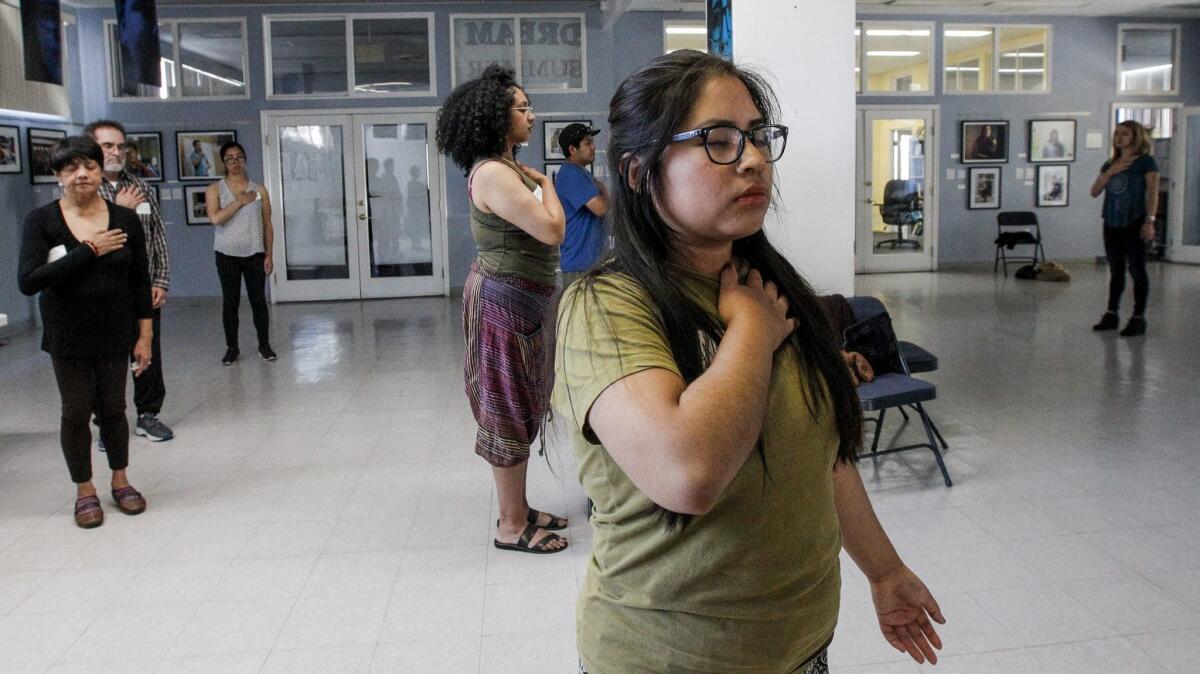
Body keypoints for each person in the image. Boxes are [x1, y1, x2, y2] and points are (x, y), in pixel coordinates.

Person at [554, 51, 945, 673]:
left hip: (798, 649)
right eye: (719, 140)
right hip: (671, 658)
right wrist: (753, 335)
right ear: (637, 172)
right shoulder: (606, 307)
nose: (755, 157)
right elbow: (689, 474)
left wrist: (885, 570)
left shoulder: (766, 286)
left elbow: (823, 455)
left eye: (759, 136)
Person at [436, 64, 569, 554]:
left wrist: (536, 181)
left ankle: (520, 507)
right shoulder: (494, 172)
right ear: (497, 117)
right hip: (502, 301)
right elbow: (553, 229)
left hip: (521, 298)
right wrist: (548, 184)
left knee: (522, 401)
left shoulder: (506, 168)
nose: (532, 115)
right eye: (522, 108)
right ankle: (511, 526)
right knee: (506, 407)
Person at [17, 136, 152, 528]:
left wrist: (145, 336)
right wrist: (88, 250)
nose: (82, 175)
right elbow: (29, 280)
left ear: (100, 171)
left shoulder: (124, 218)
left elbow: (140, 281)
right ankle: (84, 489)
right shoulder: (41, 221)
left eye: (90, 167)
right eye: (71, 168)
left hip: (115, 330)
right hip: (67, 334)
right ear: (58, 175)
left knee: (114, 408)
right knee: (75, 411)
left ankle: (121, 480)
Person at [85, 120, 174, 442]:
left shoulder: (140, 186)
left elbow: (157, 236)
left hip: (142, 289)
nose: (116, 152)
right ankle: (107, 425)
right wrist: (120, 211)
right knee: (106, 360)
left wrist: (160, 280)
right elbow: (87, 242)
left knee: (147, 353)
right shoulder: (84, 190)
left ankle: (148, 414)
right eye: (108, 146)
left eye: (120, 146)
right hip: (102, 292)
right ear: (92, 149)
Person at [206, 141, 276, 364]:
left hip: (255, 252)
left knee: (258, 301)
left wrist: (269, 254)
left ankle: (264, 345)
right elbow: (215, 218)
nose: (236, 162)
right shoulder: (215, 189)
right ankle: (232, 347)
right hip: (227, 255)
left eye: (239, 157)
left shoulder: (259, 190)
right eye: (230, 158)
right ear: (224, 162)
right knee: (230, 302)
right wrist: (239, 202)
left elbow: (267, 224)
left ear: (245, 159)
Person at [1089, 120, 1159, 336]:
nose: (1120, 138)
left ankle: (1138, 317)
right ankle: (1111, 313)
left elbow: (1153, 192)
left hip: (1134, 221)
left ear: (1135, 137)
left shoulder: (1146, 162)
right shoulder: (1110, 163)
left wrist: (1150, 220)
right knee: (1116, 268)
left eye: (1125, 134)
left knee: (1137, 269)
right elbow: (1095, 191)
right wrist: (1111, 171)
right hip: (1112, 221)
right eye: (1117, 134)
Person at [553, 123, 609, 288]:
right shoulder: (571, 174)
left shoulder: (580, 173)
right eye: (587, 143)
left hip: (589, 263)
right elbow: (601, 208)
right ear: (572, 149)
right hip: (581, 266)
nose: (593, 147)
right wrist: (603, 190)